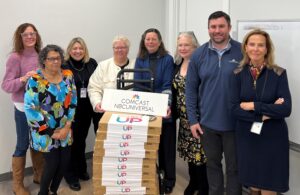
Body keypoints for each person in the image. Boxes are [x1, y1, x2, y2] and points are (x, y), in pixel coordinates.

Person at [185, 11, 243, 195]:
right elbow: (191, 90)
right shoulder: (199, 54)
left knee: (234, 169)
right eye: (213, 27)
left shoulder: (242, 51)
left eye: (221, 26)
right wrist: (193, 120)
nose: (217, 30)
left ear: (229, 28)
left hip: (235, 124)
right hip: (207, 125)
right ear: (208, 28)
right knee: (213, 166)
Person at [231, 29, 292, 195]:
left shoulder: (279, 73)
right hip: (248, 137)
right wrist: (265, 113)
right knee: (253, 187)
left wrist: (253, 106)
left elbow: (286, 109)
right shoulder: (237, 73)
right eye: (252, 44)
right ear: (245, 47)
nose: (256, 49)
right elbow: (234, 109)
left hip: (273, 138)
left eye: (260, 45)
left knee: (268, 188)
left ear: (267, 49)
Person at [24, 44, 77, 195]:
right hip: (45, 131)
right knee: (52, 163)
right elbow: (30, 108)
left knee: (65, 162)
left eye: (58, 58)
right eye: (51, 59)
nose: (55, 61)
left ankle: (53, 190)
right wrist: (50, 131)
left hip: (64, 128)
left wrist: (68, 125)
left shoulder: (68, 75)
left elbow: (73, 101)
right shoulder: (35, 80)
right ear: (44, 61)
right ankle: (43, 192)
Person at [1, 23, 44, 195]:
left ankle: (39, 175)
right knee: (22, 144)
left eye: (32, 33)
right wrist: (22, 79)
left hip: (41, 108)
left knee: (38, 142)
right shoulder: (15, 57)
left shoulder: (42, 55)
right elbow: (5, 85)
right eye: (26, 34)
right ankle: (17, 185)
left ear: (36, 35)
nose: (30, 37)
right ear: (20, 37)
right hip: (22, 108)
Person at [134, 28, 175, 194]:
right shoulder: (140, 59)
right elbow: (137, 84)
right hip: (145, 109)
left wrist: (164, 104)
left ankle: (169, 180)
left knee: (166, 149)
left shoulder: (167, 59)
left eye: (153, 39)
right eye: (147, 39)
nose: (150, 42)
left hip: (163, 109)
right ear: (144, 42)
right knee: (149, 146)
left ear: (159, 41)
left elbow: (166, 84)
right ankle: (151, 176)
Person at [62, 37, 102, 191]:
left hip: (89, 109)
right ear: (69, 50)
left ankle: (81, 169)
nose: (78, 51)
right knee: (72, 143)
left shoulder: (92, 63)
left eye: (81, 48)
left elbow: (99, 83)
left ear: (85, 50)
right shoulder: (64, 66)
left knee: (81, 141)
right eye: (74, 48)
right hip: (73, 111)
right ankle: (70, 175)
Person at [172, 31, 208, 195]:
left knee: (200, 155)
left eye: (187, 45)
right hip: (184, 120)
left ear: (195, 46)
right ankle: (193, 182)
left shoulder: (201, 64)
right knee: (189, 153)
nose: (183, 48)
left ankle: (203, 187)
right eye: (180, 45)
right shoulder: (178, 64)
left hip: (199, 118)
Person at [88, 35, 135, 113]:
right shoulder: (103, 66)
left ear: (128, 49)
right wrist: (97, 102)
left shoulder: (136, 65)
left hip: (131, 112)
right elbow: (93, 88)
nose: (119, 50)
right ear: (113, 49)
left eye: (123, 47)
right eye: (116, 48)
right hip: (107, 111)